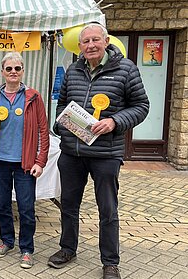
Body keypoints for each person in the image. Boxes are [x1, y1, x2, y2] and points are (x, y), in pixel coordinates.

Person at [48, 23, 149, 279]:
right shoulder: (73, 70)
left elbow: (141, 106)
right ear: (79, 46)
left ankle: (110, 262)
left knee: (108, 209)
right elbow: (62, 104)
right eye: (86, 42)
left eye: (95, 40)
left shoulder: (126, 69)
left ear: (106, 41)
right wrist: (62, 123)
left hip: (106, 154)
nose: (90, 45)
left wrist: (115, 122)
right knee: (69, 205)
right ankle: (67, 249)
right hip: (72, 152)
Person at [0, 52, 49, 269]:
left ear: (22, 71)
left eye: (17, 68)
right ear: (2, 72)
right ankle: (6, 241)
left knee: (26, 208)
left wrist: (40, 161)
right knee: (2, 206)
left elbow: (42, 131)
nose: (13, 72)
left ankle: (26, 248)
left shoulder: (33, 97)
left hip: (25, 164)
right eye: (8, 69)